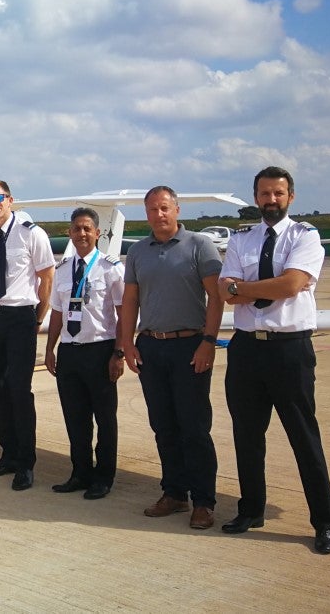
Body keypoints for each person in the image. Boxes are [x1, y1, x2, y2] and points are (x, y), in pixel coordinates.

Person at [218, 166, 330, 555]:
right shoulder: (241, 239)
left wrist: (245, 288)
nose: (271, 200)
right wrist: (252, 289)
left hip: (290, 351)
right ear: (255, 197)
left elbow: (290, 285)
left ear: (290, 197)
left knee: (304, 439)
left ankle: (324, 523)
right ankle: (251, 509)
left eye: (278, 194)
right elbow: (225, 291)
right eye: (265, 194)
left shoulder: (306, 236)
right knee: (247, 437)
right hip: (246, 349)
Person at [118, 186, 224, 529]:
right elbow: (130, 301)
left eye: (164, 208)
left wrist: (209, 341)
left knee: (194, 427)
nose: (158, 215)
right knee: (163, 426)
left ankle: (203, 501)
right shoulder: (137, 251)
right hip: (151, 347)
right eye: (152, 209)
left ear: (177, 209)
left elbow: (216, 297)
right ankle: (175, 493)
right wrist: (127, 344)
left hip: (189, 346)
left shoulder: (200, 245)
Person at [0, 180, 55, 490]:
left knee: (20, 390)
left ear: (10, 200)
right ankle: (7, 454)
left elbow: (47, 277)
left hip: (22, 317)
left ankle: (26, 462)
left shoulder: (31, 233)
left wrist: (37, 318)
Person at [43, 208, 125, 500]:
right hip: (70, 352)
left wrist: (120, 352)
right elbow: (56, 313)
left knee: (104, 418)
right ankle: (80, 473)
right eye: (77, 229)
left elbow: (122, 312)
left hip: (100, 349)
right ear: (70, 233)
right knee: (75, 417)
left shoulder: (110, 268)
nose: (82, 234)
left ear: (98, 233)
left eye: (87, 229)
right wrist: (50, 348)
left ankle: (103, 477)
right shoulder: (63, 269)